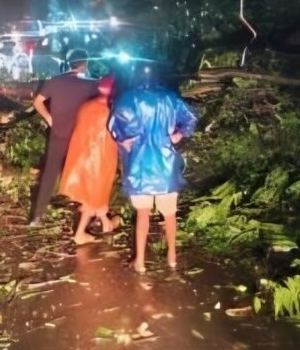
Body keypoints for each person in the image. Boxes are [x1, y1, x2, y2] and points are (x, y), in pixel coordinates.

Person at [109, 64, 198, 273]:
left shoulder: (129, 97)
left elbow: (113, 125)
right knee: (169, 215)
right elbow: (191, 118)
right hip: (166, 165)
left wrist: (124, 140)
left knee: (142, 215)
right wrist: (178, 135)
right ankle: (172, 257)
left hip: (140, 165)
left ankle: (140, 261)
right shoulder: (169, 97)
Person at [29, 49, 98, 225]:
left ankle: (37, 216)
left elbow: (37, 102)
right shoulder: (90, 85)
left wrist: (50, 118)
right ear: (85, 63)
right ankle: (87, 215)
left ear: (68, 63)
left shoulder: (55, 81)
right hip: (78, 135)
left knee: (50, 173)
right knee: (84, 173)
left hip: (58, 133)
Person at [59, 74, 121, 244]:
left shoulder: (86, 106)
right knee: (93, 196)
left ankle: (104, 221)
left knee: (89, 196)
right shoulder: (112, 111)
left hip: (81, 157)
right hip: (101, 159)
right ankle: (86, 231)